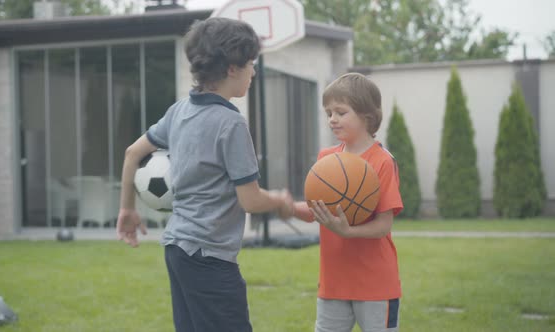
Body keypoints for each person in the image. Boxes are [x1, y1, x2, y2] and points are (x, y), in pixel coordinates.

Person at [115, 17, 294, 332]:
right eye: (251, 63)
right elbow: (250, 200)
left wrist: (127, 209)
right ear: (231, 69)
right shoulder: (231, 123)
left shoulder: (180, 110)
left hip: (177, 249)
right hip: (208, 257)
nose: (254, 71)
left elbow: (132, 154)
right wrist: (280, 200)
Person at [293, 73, 404, 332]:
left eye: (340, 112)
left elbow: (383, 225)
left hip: (376, 284)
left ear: (366, 115)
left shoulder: (382, 162)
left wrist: (348, 231)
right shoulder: (326, 159)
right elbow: (315, 210)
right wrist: (284, 206)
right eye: (329, 112)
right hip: (333, 282)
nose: (332, 119)